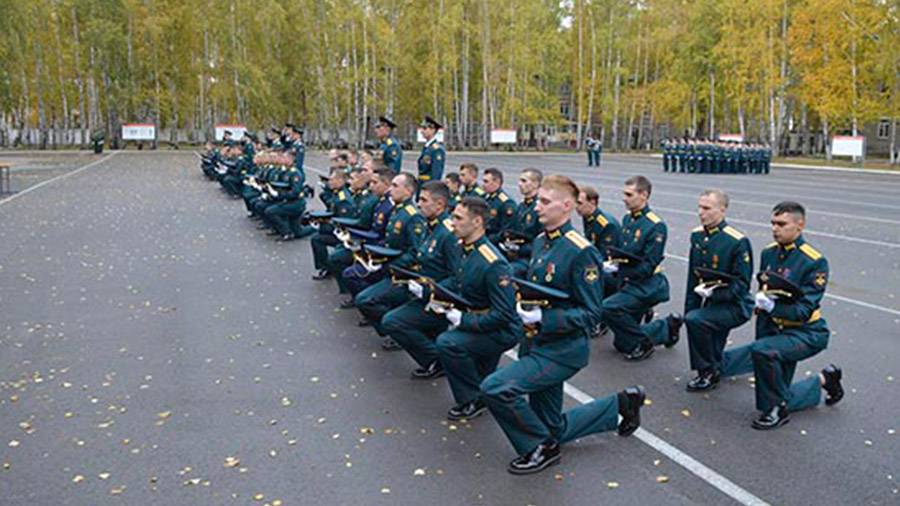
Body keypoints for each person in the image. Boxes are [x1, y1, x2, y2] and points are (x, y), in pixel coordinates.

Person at [480, 175, 645, 475]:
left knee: (496, 387)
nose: (537, 208)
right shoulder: (542, 240)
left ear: (567, 206)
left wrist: (545, 318)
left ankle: (540, 447)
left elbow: (592, 313)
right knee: (551, 424)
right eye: (538, 201)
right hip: (536, 343)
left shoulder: (581, 251)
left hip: (561, 350)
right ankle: (620, 404)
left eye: (545, 202)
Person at [715, 201, 843, 429]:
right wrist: (762, 307)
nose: (775, 228)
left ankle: (777, 410)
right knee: (777, 388)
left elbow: (804, 311)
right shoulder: (769, 253)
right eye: (773, 223)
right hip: (774, 328)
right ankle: (824, 380)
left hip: (805, 332)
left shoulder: (813, 261)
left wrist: (773, 308)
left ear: (800, 225)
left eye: (782, 224)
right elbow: (768, 290)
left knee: (764, 356)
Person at [432, 197, 521, 421]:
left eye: (458, 218)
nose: (452, 222)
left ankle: (471, 399)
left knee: (448, 343)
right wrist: (431, 292)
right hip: (480, 317)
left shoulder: (493, 263)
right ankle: (485, 390)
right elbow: (458, 281)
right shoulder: (465, 248)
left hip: (500, 328)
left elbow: (503, 315)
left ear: (477, 222)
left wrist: (462, 320)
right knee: (484, 376)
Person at [676, 189, 753, 392]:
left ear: (722, 210)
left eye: (707, 208)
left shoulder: (736, 241)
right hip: (711, 301)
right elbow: (694, 275)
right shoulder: (698, 235)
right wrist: (689, 309)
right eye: (700, 207)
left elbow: (742, 284)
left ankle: (707, 372)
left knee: (699, 322)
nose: (701, 212)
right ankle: (723, 365)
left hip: (734, 304)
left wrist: (714, 294)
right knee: (696, 323)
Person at [379, 181, 462, 363]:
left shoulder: (448, 233)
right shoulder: (429, 224)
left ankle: (436, 361)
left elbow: (457, 277)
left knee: (392, 321)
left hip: (439, 298)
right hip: (423, 290)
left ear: (440, 204)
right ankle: (437, 359)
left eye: (424, 200)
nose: (419, 204)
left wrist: (427, 290)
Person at [601, 176, 677, 361]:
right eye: (624, 194)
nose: (624, 198)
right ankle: (667, 327)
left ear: (644, 195)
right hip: (631, 282)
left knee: (609, 308)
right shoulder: (628, 219)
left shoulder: (655, 225)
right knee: (622, 345)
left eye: (629, 194)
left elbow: (648, 267)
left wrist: (617, 271)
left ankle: (645, 343)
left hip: (648, 284)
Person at [417, 116, 446, 186]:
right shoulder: (427, 147)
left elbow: (436, 173)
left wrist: (432, 188)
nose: (422, 131)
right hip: (422, 184)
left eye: (425, 128)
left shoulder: (437, 150)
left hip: (429, 186)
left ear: (433, 130)